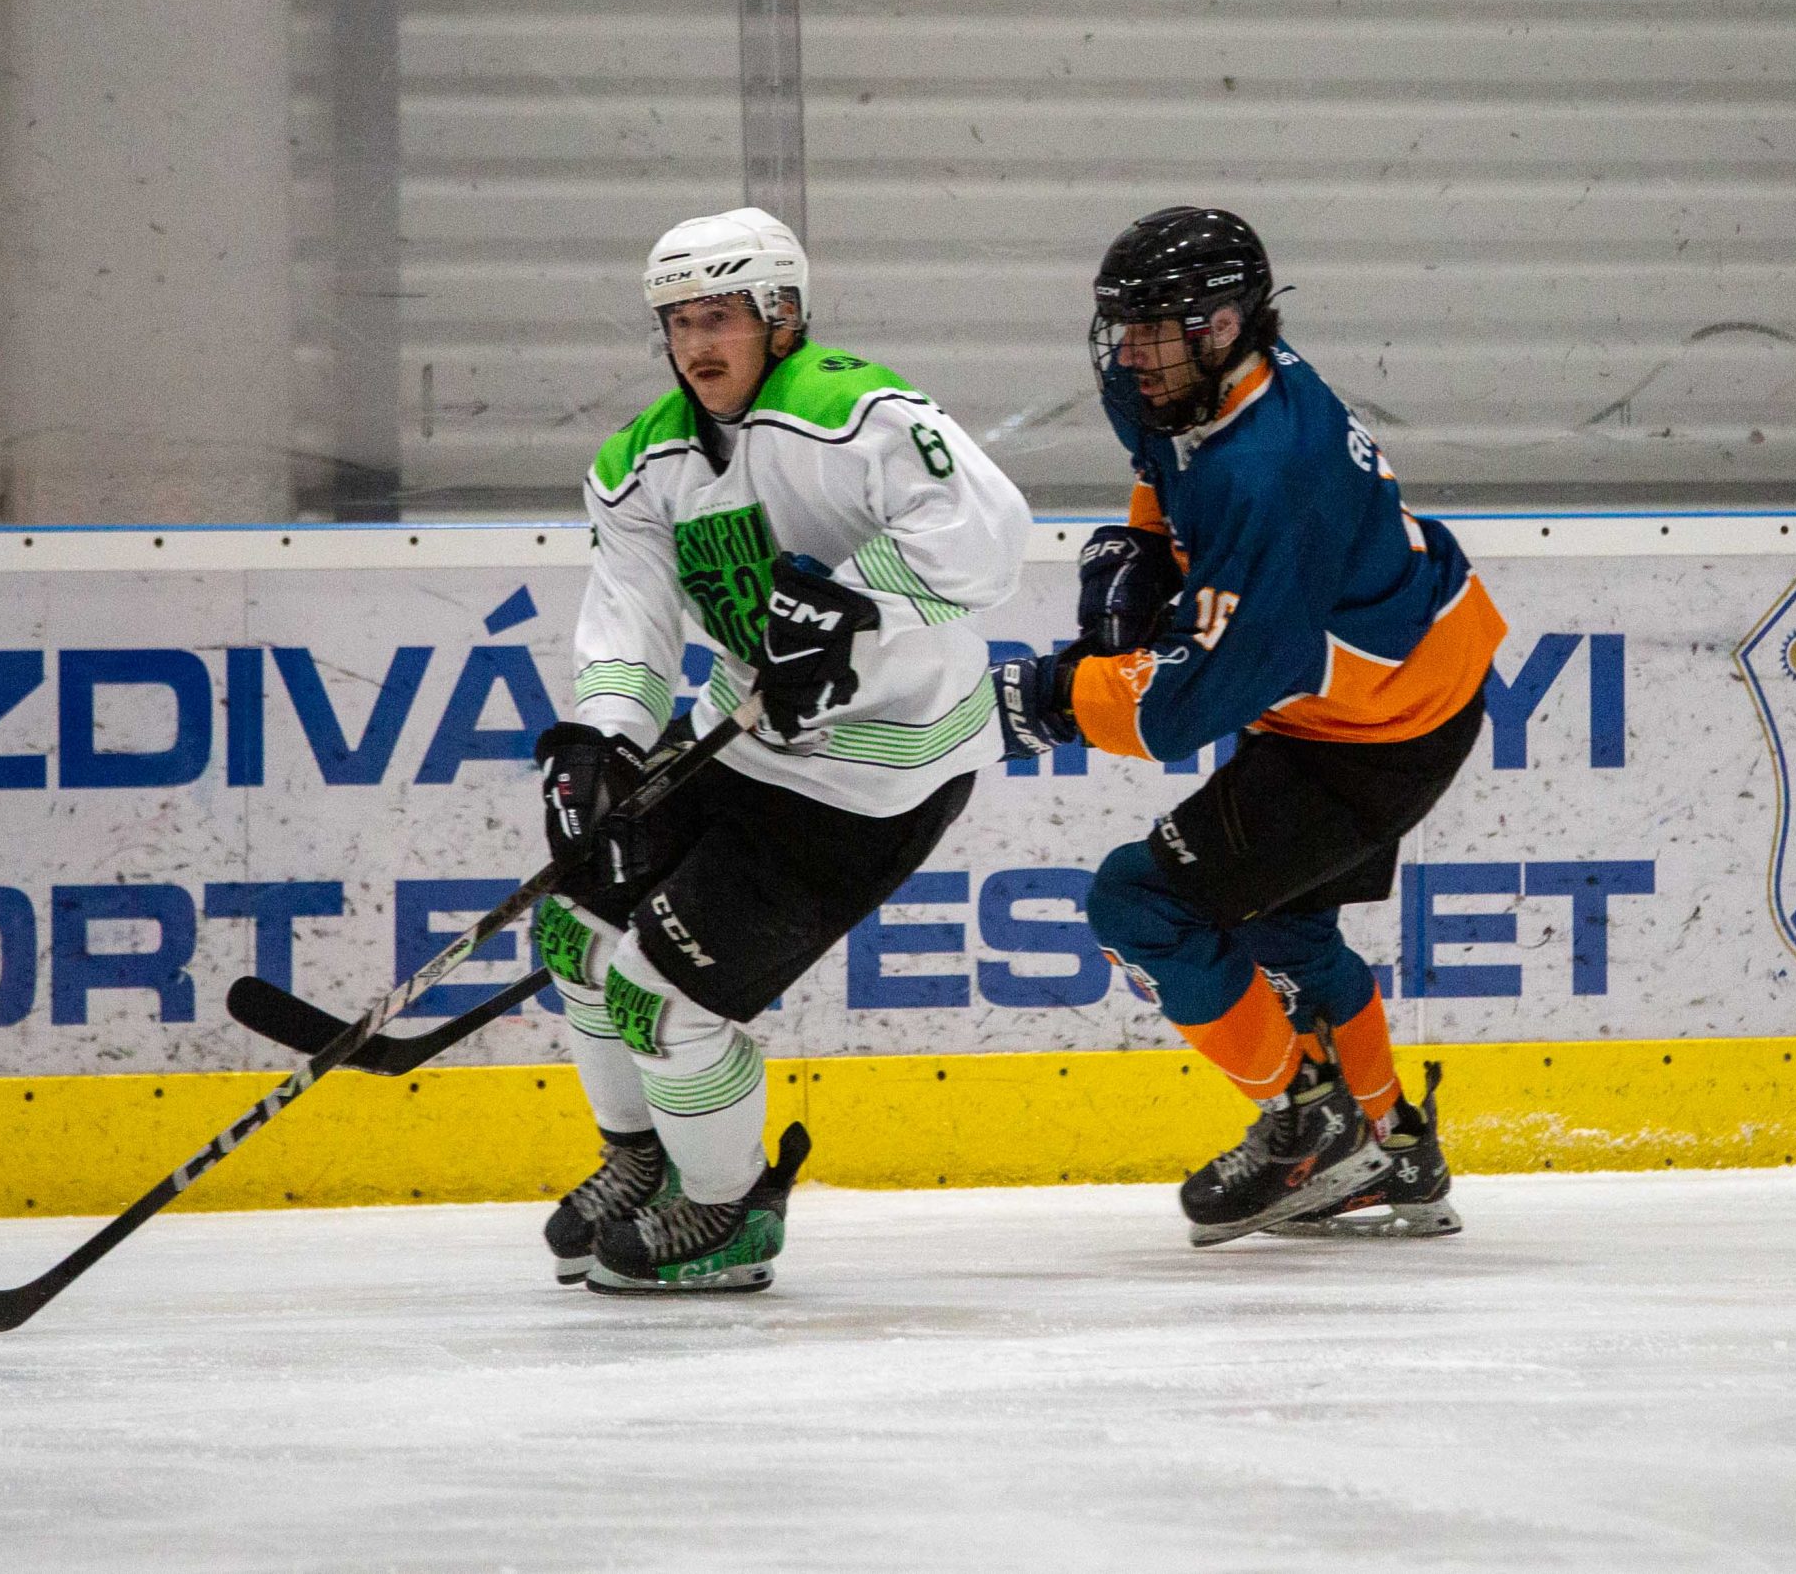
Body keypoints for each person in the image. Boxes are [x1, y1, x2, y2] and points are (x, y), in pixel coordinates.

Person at [532, 205, 1031, 1294]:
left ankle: (727, 1210)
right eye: (678, 322)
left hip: (879, 772)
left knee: (659, 997)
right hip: (740, 740)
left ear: (783, 316)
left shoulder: (856, 413)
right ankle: (645, 1159)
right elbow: (631, 623)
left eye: (719, 317)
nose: (696, 344)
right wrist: (601, 745)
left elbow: (991, 541)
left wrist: (852, 598)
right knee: (572, 927)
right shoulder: (640, 463)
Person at [992, 207, 1505, 1246]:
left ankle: (1305, 1127)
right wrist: (1144, 544)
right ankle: (1395, 1151)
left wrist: (1054, 697)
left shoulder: (1272, 467)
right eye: (1124, 325)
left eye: (1154, 328)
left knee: (1140, 902)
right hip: (1390, 687)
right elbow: (1166, 468)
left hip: (1372, 731)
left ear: (1223, 325)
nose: (1130, 352)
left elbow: (1190, 700)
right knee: (1284, 928)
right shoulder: (1190, 383)